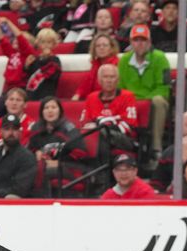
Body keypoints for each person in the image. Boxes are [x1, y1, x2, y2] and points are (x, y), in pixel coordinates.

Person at [118, 24, 170, 163]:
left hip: (152, 102)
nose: (139, 44)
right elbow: (121, 88)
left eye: (143, 40)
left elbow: (163, 89)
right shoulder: (123, 60)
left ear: (149, 42)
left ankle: (156, 148)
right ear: (130, 43)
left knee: (159, 100)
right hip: (131, 102)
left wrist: (143, 101)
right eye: (136, 40)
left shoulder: (160, 58)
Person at [0, 114, 37, 198]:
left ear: (20, 132)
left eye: (15, 129)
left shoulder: (27, 157)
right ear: (1, 132)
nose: (11, 133)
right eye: (7, 129)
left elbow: (21, 187)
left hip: (11, 204)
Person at [80, 64, 138, 142]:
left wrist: (101, 126)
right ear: (99, 80)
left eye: (112, 77)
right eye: (105, 77)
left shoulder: (127, 96)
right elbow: (85, 124)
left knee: (100, 134)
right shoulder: (91, 98)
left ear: (118, 80)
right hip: (96, 137)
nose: (109, 80)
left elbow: (129, 126)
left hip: (123, 138)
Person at [0, 12, 36, 108]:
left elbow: (20, 37)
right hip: (8, 89)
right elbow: (1, 38)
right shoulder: (12, 53)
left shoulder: (27, 53)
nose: (16, 40)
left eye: (19, 40)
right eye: (14, 39)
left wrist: (8, 22)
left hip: (20, 89)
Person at [72, 33, 119, 101]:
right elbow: (85, 85)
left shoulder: (117, 65)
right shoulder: (95, 66)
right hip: (95, 100)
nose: (101, 48)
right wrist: (77, 95)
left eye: (105, 45)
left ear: (111, 48)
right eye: (98, 46)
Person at [24, 28, 63, 101]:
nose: (45, 45)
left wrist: (47, 58)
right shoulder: (35, 59)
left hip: (47, 94)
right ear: (38, 43)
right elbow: (28, 75)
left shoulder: (55, 59)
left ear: (54, 44)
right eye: (43, 42)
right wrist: (26, 66)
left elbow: (54, 76)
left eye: (49, 42)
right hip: (33, 93)